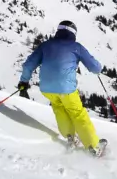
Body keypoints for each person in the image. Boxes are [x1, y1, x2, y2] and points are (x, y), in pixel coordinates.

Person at [18, 20, 106, 155]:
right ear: (73, 33)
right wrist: (99, 69)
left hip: (47, 89)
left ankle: (70, 138)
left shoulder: (45, 45)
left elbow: (28, 65)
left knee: (59, 110)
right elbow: (94, 67)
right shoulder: (76, 47)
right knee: (78, 114)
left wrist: (24, 82)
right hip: (66, 90)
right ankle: (93, 146)